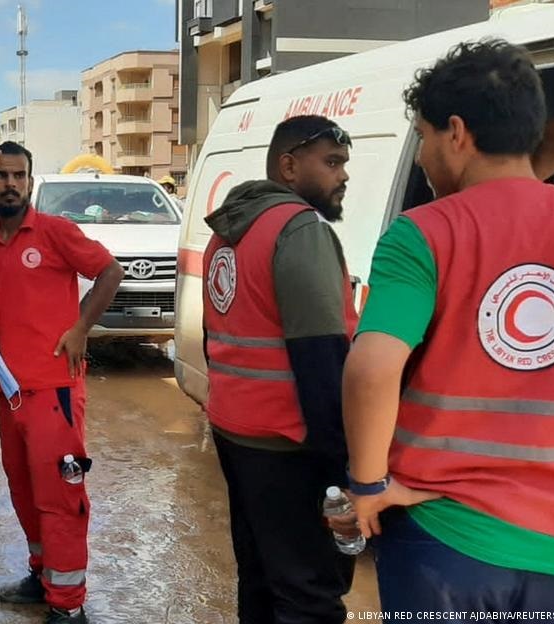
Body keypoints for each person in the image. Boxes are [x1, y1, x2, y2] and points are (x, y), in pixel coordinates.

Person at [342, 39, 554, 617]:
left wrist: (367, 486)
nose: (419, 157)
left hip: (446, 539)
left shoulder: (424, 233)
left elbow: (371, 370)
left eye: (422, 135)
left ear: (456, 133)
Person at [201, 114, 357, 624]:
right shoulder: (299, 229)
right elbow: (321, 360)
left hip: (236, 430)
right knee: (309, 593)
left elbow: (214, 337)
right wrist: (343, 470)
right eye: (331, 163)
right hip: (290, 442)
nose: (343, 175)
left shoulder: (228, 230)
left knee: (262, 578)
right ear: (289, 166)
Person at [0, 141, 123, 624]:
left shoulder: (56, 232)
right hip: (10, 392)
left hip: (55, 392)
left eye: (19, 175)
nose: (10, 184)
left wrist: (81, 328)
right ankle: (42, 576)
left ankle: (68, 605)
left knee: (60, 497)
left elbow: (109, 271)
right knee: (23, 490)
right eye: (1, 176)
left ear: (31, 182)